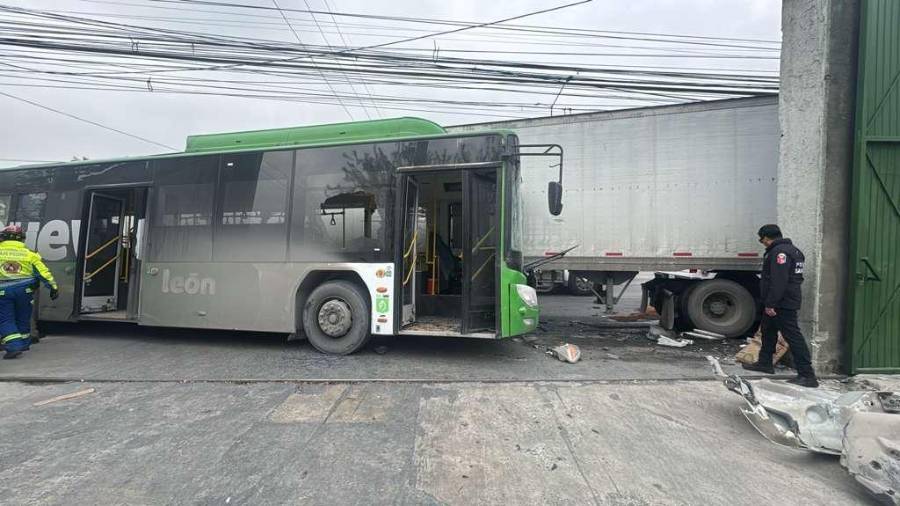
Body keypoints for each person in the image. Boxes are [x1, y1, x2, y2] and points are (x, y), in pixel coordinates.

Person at [743, 224, 818, 387]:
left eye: (761, 239)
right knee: (768, 331)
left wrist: (771, 304)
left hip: (782, 302)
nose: (762, 242)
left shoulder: (780, 252)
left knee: (793, 336)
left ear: (767, 238)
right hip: (781, 300)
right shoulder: (794, 251)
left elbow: (779, 281)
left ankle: (807, 375)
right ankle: (765, 363)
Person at [0, 225, 58, 359]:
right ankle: (24, 344)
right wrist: (53, 288)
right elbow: (43, 273)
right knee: (23, 317)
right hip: (25, 292)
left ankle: (13, 346)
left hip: (3, 292)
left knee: (5, 320)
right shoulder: (30, 254)